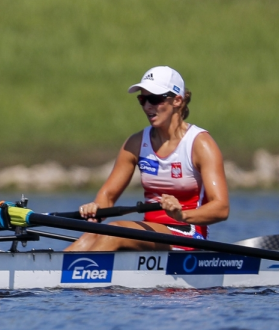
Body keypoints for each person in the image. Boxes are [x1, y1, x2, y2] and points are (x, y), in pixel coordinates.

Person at [66, 66, 229, 252]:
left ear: (177, 100)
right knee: (92, 232)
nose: (147, 107)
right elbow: (108, 196)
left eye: (154, 99)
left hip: (187, 234)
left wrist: (181, 214)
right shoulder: (136, 143)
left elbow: (221, 208)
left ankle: (80, 277)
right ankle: (56, 274)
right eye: (142, 99)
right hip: (149, 234)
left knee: (114, 231)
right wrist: (95, 211)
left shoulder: (200, 144)